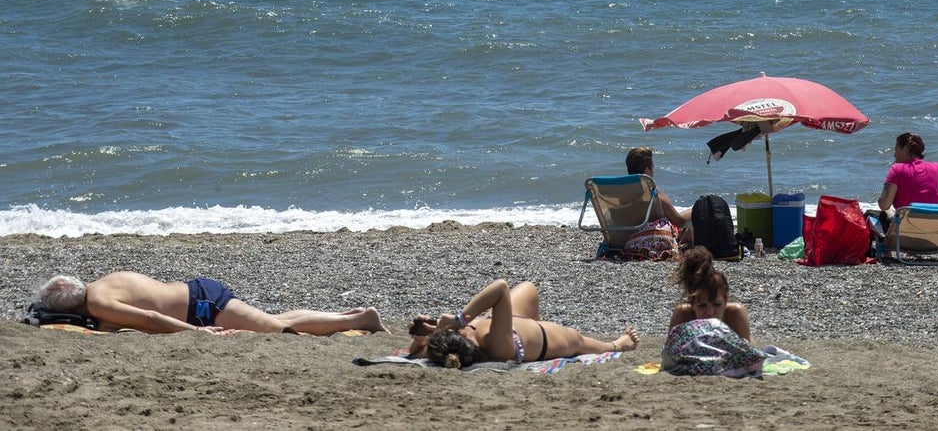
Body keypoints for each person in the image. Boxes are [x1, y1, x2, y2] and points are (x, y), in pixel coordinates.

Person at [37, 271, 388, 335]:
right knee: (270, 318)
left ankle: (360, 322)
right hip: (197, 293)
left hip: (202, 307)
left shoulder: (98, 304)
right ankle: (350, 315)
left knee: (279, 328)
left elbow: (149, 317)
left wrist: (196, 332)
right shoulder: (103, 283)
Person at [406, 279, 639, 368]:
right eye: (459, 330)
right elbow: (500, 287)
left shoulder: (451, 346)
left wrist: (422, 336)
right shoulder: (495, 346)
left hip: (512, 323)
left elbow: (417, 351)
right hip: (547, 338)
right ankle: (619, 344)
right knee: (581, 342)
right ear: (464, 336)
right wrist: (460, 319)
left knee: (529, 288)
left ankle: (520, 325)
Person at [668, 246, 753, 343]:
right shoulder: (683, 315)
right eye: (702, 306)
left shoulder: (734, 314)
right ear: (692, 305)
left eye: (717, 305)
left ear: (726, 301)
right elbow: (670, 353)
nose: (710, 312)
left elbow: (748, 353)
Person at [870, 132, 938, 238]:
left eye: (896, 149)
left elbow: (884, 205)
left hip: (905, 234)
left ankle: (884, 252)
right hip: (932, 232)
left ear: (905, 149)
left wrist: (887, 184)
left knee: (871, 215)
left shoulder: (897, 169)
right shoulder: (937, 168)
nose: (894, 154)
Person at [626, 146, 693, 239]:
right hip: (655, 240)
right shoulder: (652, 192)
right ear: (647, 170)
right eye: (652, 167)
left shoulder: (622, 193)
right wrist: (694, 210)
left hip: (628, 239)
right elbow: (679, 221)